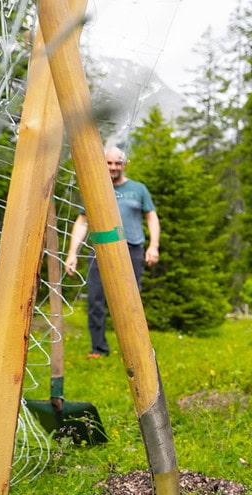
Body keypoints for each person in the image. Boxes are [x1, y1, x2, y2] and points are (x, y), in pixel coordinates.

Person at [65, 146, 160, 359]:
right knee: (96, 300)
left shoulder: (138, 189)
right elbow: (82, 221)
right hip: (100, 250)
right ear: (103, 164)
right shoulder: (95, 188)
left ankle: (135, 350)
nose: (113, 167)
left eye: (118, 163)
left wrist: (154, 245)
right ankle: (98, 349)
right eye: (109, 163)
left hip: (132, 249)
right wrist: (72, 253)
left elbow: (151, 216)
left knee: (131, 301)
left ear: (124, 164)